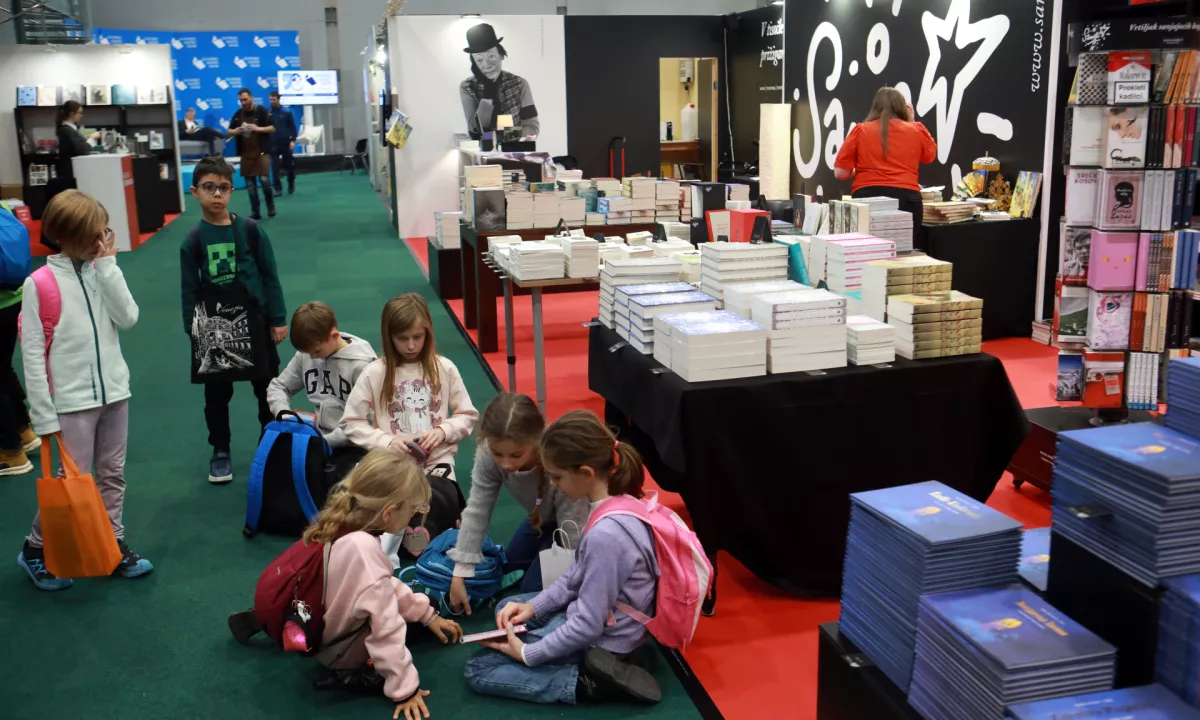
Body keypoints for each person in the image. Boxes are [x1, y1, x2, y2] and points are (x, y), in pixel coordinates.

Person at [229, 450, 464, 719]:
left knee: (417, 610)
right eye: (413, 510)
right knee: (411, 625)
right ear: (389, 513)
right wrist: (404, 689)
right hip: (336, 651)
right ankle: (353, 674)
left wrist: (426, 614)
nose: (413, 516)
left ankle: (273, 616)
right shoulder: (365, 551)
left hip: (312, 611)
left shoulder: (344, 522)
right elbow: (387, 629)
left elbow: (382, 585)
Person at [463, 410, 662, 706]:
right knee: (509, 608)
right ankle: (606, 659)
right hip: (610, 615)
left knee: (479, 669)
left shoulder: (606, 535)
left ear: (586, 473)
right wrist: (534, 606)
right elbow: (576, 575)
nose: (553, 485)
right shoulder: (617, 501)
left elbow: (587, 625)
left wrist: (528, 654)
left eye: (556, 477)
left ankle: (587, 683)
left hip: (604, 637)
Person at [17, 189, 152, 591]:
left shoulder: (101, 270)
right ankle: (35, 548)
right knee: (70, 481)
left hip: (115, 392)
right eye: (91, 235)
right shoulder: (39, 283)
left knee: (113, 474)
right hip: (71, 402)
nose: (99, 242)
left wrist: (108, 268)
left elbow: (128, 318)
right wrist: (43, 414)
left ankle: (112, 543)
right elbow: (32, 355)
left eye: (102, 233)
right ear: (63, 236)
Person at [340, 293, 478, 567]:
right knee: (355, 502)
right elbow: (351, 422)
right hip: (392, 467)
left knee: (432, 503)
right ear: (388, 336)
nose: (411, 345)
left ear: (428, 333)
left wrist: (442, 431)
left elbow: (467, 415)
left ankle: (420, 543)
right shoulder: (375, 372)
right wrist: (388, 443)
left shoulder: (444, 368)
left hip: (436, 466)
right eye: (402, 338)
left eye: (418, 337)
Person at [180, 156, 287, 485]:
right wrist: (193, 330)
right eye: (209, 187)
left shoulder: (251, 231)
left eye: (224, 187)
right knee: (216, 395)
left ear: (231, 190)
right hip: (213, 325)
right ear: (195, 191)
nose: (217, 194)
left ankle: (270, 442)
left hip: (255, 319)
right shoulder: (193, 240)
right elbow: (189, 289)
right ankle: (220, 450)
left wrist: (278, 318)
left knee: (266, 386)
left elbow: (270, 277)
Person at [447, 393, 589, 610]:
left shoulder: (559, 456)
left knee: (531, 591)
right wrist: (461, 570)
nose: (506, 464)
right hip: (542, 515)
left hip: (578, 523)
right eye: (498, 454)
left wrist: (572, 578)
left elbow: (574, 530)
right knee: (509, 562)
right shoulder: (487, 452)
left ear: (535, 441)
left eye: (516, 455)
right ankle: (544, 546)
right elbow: (477, 509)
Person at [267, 301, 376, 480]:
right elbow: (279, 386)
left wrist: (323, 442)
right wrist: (283, 412)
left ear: (334, 336)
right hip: (318, 436)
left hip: (353, 443)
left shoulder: (362, 366)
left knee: (337, 483)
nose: (312, 357)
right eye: (308, 353)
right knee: (276, 469)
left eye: (316, 351)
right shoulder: (307, 354)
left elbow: (368, 420)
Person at [833, 86, 937, 227]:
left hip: (866, 197)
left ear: (875, 107)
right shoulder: (916, 130)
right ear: (903, 108)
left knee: (866, 240)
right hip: (907, 199)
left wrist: (860, 170)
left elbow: (840, 173)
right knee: (905, 241)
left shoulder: (860, 130)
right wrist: (911, 122)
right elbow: (929, 156)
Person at [459, 23, 540, 140]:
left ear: (501, 55)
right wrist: (488, 90)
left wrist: (506, 135)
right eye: (479, 60)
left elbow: (533, 128)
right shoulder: (468, 87)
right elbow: (474, 130)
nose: (487, 65)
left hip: (515, 149)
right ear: (474, 63)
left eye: (491, 56)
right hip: (483, 150)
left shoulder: (519, 84)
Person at [228, 88, 276, 220]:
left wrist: (258, 128)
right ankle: (256, 212)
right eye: (241, 100)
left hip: (262, 152)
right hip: (246, 154)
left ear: (251, 97)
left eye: (245, 99)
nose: (243, 102)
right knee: (250, 186)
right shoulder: (238, 114)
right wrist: (236, 131)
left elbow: (273, 128)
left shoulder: (263, 111)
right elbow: (229, 131)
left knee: (265, 181)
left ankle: (271, 206)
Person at [50, 100, 100, 205]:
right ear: (72, 114)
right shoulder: (67, 130)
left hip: (73, 172)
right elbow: (82, 150)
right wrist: (92, 138)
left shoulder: (69, 129)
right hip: (71, 174)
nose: (81, 116)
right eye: (79, 113)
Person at [267, 90, 298, 195]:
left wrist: (292, 141)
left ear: (278, 99)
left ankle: (291, 183)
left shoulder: (286, 112)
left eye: (274, 99)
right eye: (270, 100)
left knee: (289, 166)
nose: (272, 101)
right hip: (273, 144)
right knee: (274, 168)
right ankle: (278, 189)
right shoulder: (268, 113)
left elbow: (293, 128)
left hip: (286, 144)